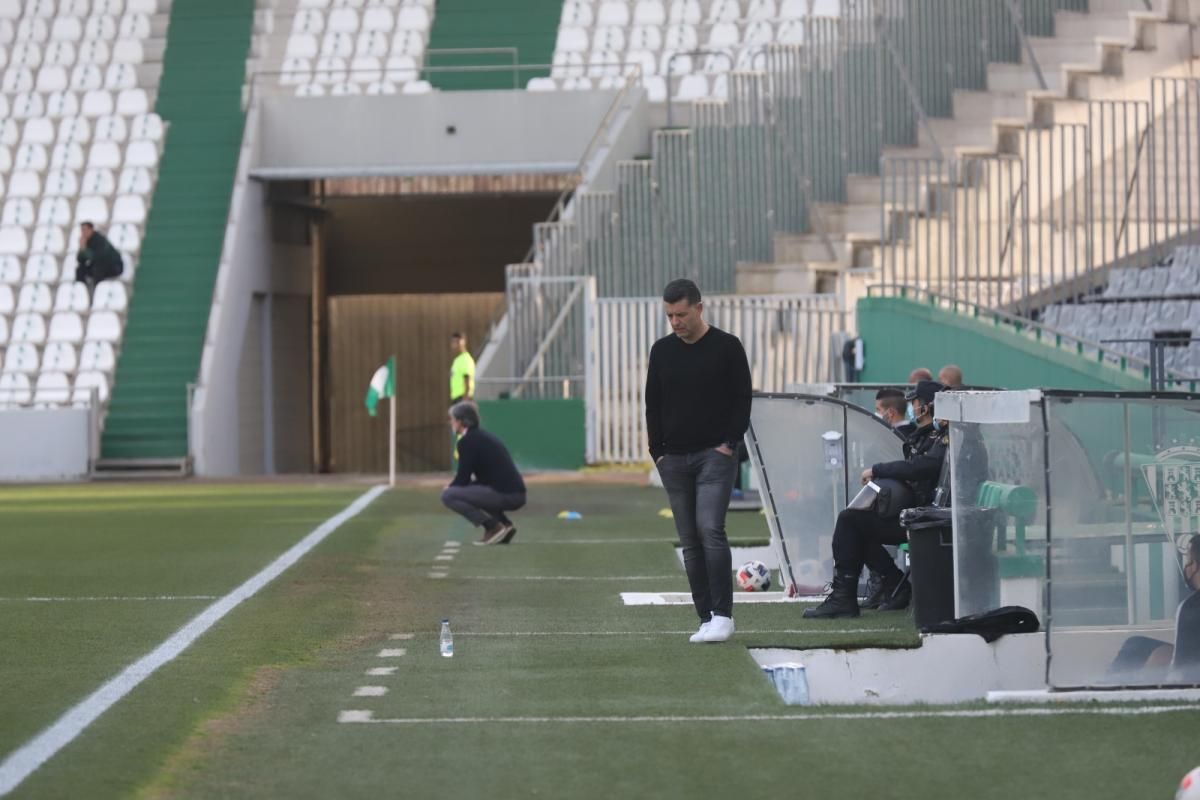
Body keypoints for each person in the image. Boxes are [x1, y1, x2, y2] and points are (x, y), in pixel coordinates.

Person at [647, 279, 752, 644]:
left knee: (710, 529)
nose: (675, 322)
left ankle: (724, 615)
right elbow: (652, 403)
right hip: (673, 459)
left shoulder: (727, 347)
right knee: (689, 540)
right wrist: (656, 451)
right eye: (670, 316)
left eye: (681, 314)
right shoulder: (661, 351)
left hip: (715, 456)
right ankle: (705, 616)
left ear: (699, 308)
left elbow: (743, 398)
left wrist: (730, 443)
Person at [804, 380, 949, 619]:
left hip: (931, 520)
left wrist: (878, 470)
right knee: (854, 523)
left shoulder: (945, 436)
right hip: (920, 514)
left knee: (850, 522)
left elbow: (924, 467)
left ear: (927, 406)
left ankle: (850, 595)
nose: (912, 407)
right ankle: (892, 584)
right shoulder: (926, 435)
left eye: (915, 403)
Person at [1108, 534, 1200, 682]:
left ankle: (1108, 689)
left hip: (1189, 682)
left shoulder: (1191, 606)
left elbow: (1182, 670)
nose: (1187, 566)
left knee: (1137, 649)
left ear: (1195, 565)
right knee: (1137, 644)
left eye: (1188, 560)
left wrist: (1153, 683)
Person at [440, 401, 526, 546]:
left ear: (460, 421)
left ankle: (493, 526)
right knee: (473, 490)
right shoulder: (484, 436)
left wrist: (450, 487)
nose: (452, 423)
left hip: (505, 494)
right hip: (516, 493)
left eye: (453, 419)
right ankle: (505, 525)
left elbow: (463, 478)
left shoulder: (467, 442)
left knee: (448, 496)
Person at [75, 222, 123, 301]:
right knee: (80, 270)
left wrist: (85, 251)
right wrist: (82, 249)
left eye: (85, 230)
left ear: (91, 230)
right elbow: (80, 261)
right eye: (82, 230)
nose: (83, 233)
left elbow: (99, 257)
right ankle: (81, 294)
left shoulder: (99, 240)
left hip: (114, 266)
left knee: (97, 269)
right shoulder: (86, 241)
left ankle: (98, 296)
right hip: (99, 266)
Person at [449, 332, 475, 404]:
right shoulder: (457, 360)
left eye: (457, 342)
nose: (455, 345)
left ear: (463, 342)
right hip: (456, 398)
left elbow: (467, 379)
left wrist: (465, 401)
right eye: (453, 342)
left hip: (463, 399)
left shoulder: (465, 359)